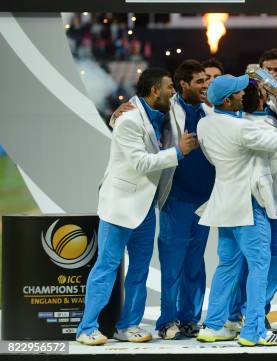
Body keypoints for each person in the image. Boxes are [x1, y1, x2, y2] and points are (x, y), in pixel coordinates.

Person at [76, 68, 199, 346]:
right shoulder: (129, 119)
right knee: (107, 266)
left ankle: (128, 325)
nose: (173, 92)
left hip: (146, 207)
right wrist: (179, 151)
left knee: (140, 270)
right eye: (169, 87)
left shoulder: (164, 114)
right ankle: (87, 327)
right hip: (120, 206)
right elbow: (141, 162)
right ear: (155, 90)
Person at [195, 74, 277, 346]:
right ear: (227, 100)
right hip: (247, 205)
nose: (242, 94)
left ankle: (213, 326)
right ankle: (254, 331)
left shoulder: (205, 124)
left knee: (227, 266)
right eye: (237, 92)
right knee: (260, 265)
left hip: (224, 203)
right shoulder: (242, 129)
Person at [154, 59, 216, 340]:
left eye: (207, 80)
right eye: (200, 81)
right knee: (172, 263)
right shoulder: (167, 110)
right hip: (176, 198)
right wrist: (116, 113)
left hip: (204, 199)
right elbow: (135, 115)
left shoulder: (209, 110)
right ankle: (167, 321)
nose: (206, 86)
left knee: (195, 263)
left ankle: (190, 318)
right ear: (184, 85)